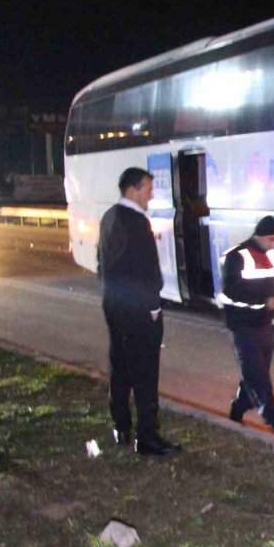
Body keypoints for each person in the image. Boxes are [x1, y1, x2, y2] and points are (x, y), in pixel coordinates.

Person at [98, 167, 181, 457]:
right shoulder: (136, 221)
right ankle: (147, 438)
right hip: (139, 312)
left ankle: (121, 426)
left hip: (114, 306)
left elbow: (104, 265)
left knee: (120, 368)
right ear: (133, 190)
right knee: (146, 374)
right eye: (148, 188)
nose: (152, 194)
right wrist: (155, 307)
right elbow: (148, 272)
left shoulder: (109, 217)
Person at [219, 216, 274, 441]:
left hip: (264, 325)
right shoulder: (236, 256)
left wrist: (270, 306)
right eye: (272, 239)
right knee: (258, 377)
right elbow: (231, 294)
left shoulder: (270, 255)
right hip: (243, 327)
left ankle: (237, 408)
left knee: (254, 374)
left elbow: (268, 286)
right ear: (261, 235)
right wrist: (263, 303)